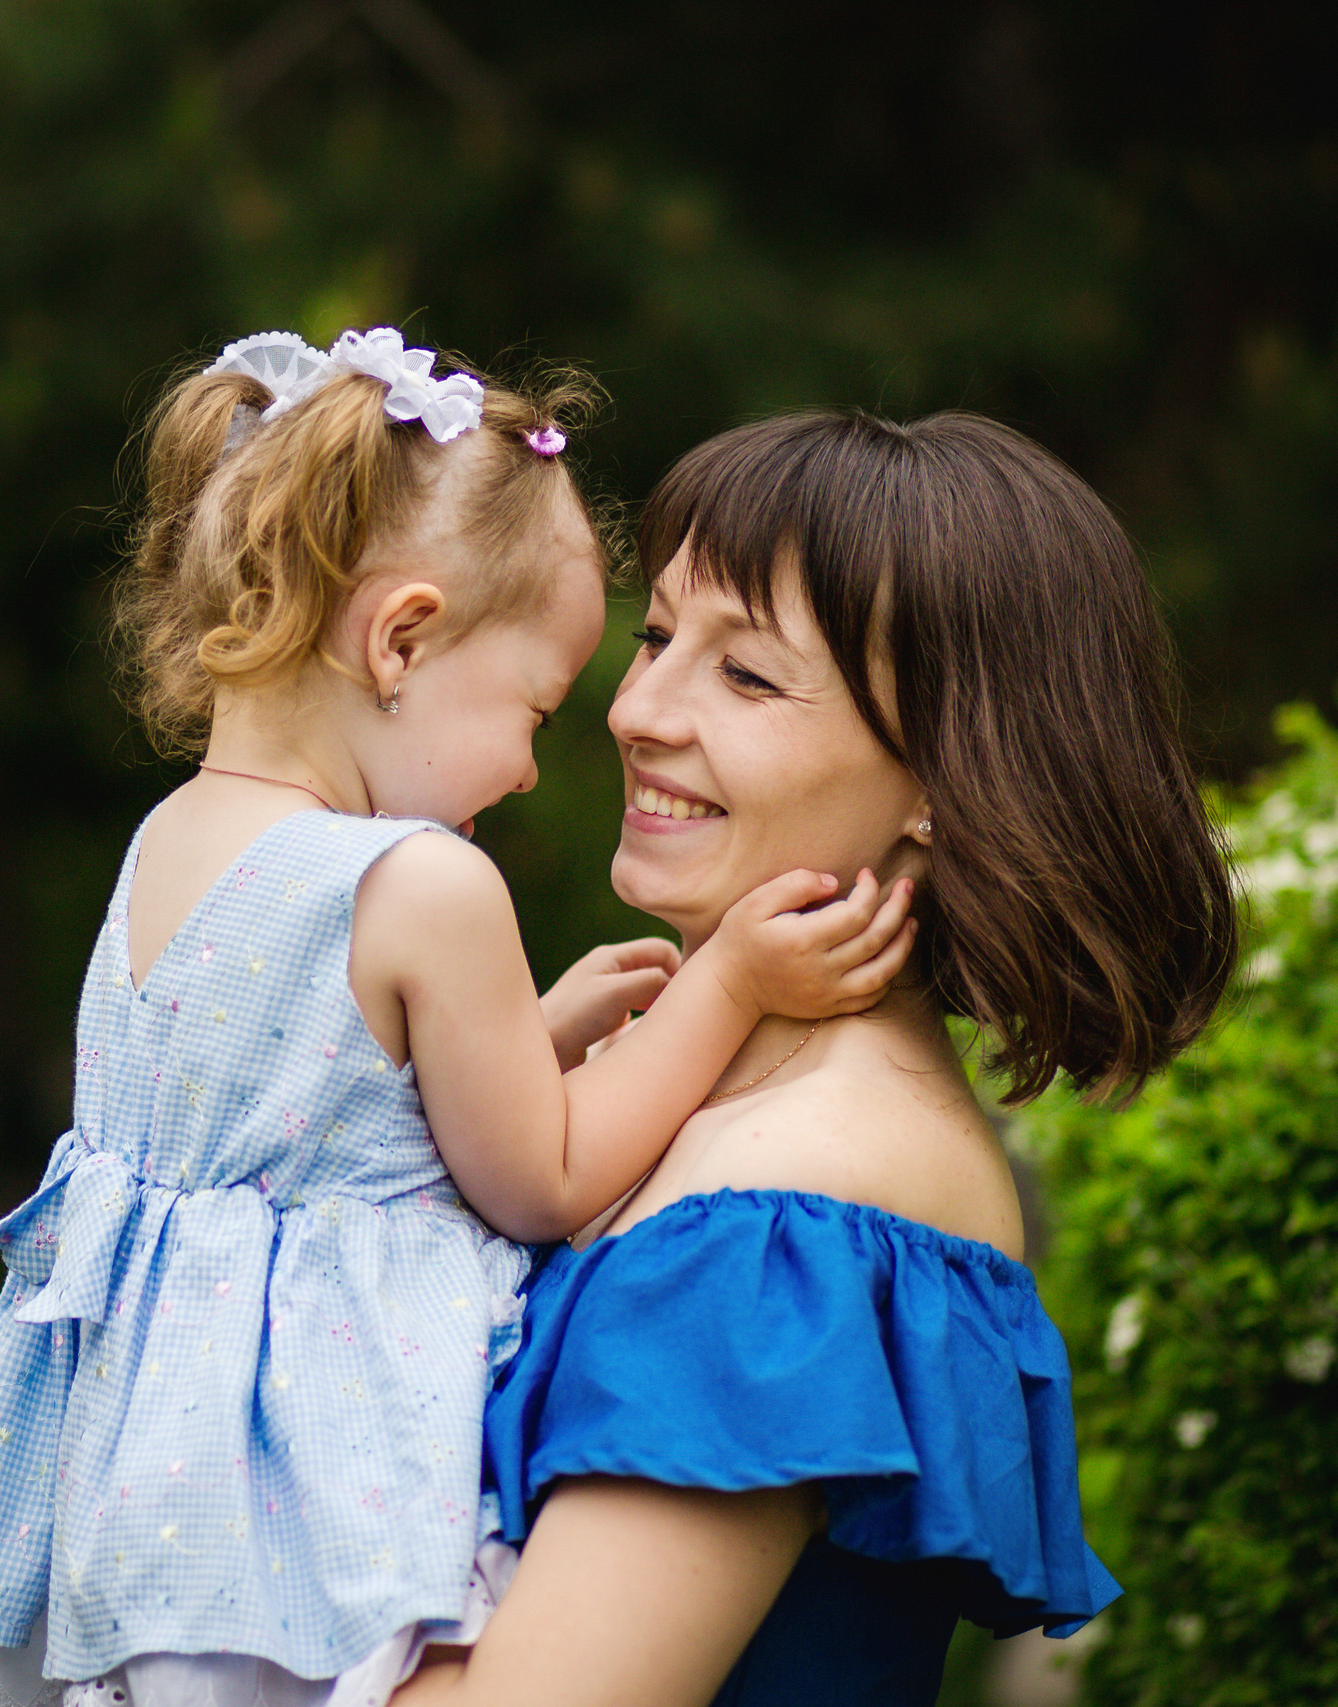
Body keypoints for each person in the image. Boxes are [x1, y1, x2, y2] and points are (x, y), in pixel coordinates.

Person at [0, 331, 916, 1707]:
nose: (528, 771)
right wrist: (730, 986)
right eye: (532, 711)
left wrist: (533, 1034)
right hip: (291, 1523)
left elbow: (309, 1107)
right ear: (401, 640)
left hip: (136, 1503)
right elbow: (544, 1179)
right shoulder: (421, 882)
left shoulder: (167, 843)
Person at [393, 409, 1241, 1707]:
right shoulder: (677, 1091)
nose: (635, 710)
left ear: (943, 778)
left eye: (747, 676)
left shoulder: (795, 1213)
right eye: (657, 637)